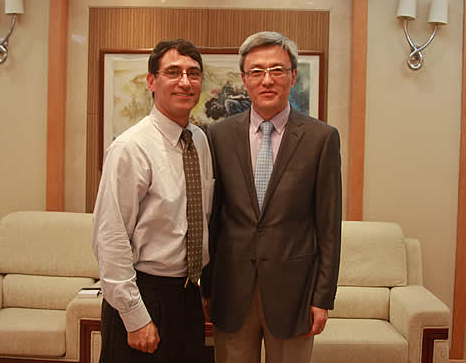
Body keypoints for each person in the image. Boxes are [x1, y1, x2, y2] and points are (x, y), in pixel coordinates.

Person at [202, 31, 342, 363]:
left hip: (294, 294)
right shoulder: (218, 136)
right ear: (244, 79)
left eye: (277, 70)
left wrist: (322, 297)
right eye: (257, 71)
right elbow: (212, 219)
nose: (267, 80)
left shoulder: (321, 138)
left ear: (293, 76)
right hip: (231, 290)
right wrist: (206, 288)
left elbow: (329, 226)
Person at [93, 39, 214, 363]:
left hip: (187, 295)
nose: (185, 82)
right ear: (151, 81)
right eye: (173, 72)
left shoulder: (199, 141)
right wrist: (135, 317)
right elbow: (111, 236)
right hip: (145, 295)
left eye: (193, 73)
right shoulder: (130, 148)